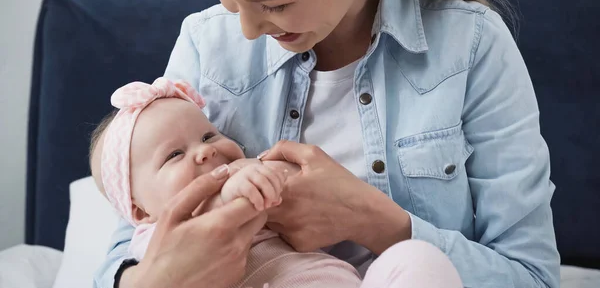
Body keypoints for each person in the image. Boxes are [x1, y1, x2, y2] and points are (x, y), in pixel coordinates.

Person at [93, 0, 561, 287]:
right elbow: (132, 231)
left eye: (275, 5)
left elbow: (532, 277)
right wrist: (165, 278)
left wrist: (372, 219)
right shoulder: (205, 44)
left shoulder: (472, 44)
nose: (248, 30)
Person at [90, 77, 463, 288]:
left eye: (208, 136)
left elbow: (300, 193)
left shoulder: (249, 172)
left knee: (416, 258)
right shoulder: (157, 240)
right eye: (174, 156)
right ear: (139, 210)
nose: (205, 153)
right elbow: (227, 205)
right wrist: (242, 183)